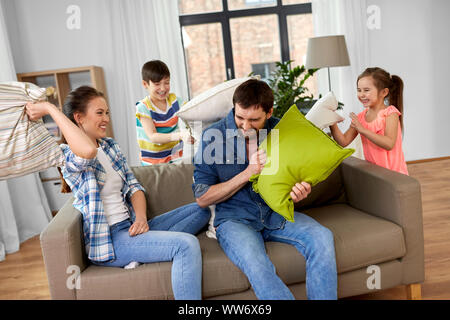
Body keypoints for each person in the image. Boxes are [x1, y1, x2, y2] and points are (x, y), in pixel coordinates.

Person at [25, 86, 210, 300]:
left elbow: (134, 187)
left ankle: (145, 249)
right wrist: (50, 108)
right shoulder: (66, 155)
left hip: (131, 227)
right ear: (79, 118)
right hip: (111, 240)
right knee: (185, 246)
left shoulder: (110, 146)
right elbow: (87, 151)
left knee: (204, 207)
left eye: (107, 113)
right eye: (99, 113)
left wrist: (141, 219)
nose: (106, 119)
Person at [192, 79, 338, 300]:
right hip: (235, 220)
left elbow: (295, 176)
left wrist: (299, 190)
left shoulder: (281, 131)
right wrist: (248, 173)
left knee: (322, 237)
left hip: (275, 214)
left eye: (254, 120)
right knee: (256, 263)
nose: (245, 126)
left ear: (269, 113)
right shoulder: (212, 137)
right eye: (239, 117)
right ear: (234, 108)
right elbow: (202, 197)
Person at [330, 67, 408, 175]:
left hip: (394, 175)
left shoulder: (390, 113)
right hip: (375, 174)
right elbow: (343, 141)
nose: (361, 94)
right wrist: (331, 122)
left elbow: (389, 143)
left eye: (366, 90)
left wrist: (362, 130)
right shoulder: (361, 117)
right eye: (359, 90)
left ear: (384, 92)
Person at [135, 60, 194, 165]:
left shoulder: (174, 101)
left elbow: (192, 110)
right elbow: (153, 137)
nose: (163, 88)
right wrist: (180, 135)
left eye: (166, 82)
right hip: (153, 162)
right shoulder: (143, 107)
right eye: (157, 84)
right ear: (145, 84)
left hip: (175, 156)